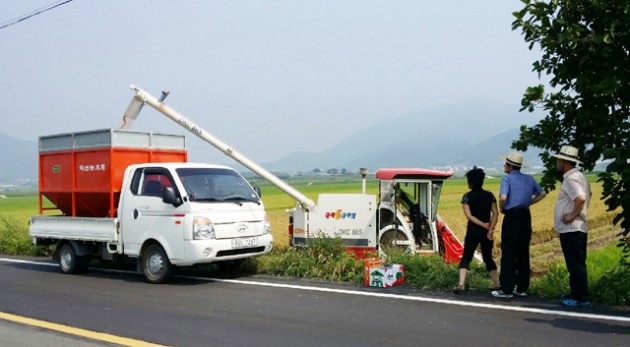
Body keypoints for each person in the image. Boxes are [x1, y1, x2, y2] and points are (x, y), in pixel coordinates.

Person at [492, 152, 546, 298]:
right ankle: (522, 288)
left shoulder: (507, 179)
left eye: (505, 164)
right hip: (525, 216)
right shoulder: (529, 179)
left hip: (512, 216)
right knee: (523, 251)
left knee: (509, 252)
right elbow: (542, 193)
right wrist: (529, 202)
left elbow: (503, 197)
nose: (504, 166)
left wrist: (502, 207)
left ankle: (507, 289)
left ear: (509, 167)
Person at [553, 145, 591, 307]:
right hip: (578, 227)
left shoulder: (571, 178)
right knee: (578, 262)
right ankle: (579, 294)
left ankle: (579, 297)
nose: (557, 162)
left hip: (572, 228)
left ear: (564, 161)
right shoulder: (580, 176)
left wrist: (572, 215)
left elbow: (581, 198)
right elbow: (588, 195)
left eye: (558, 159)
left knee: (574, 264)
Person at [453, 167, 499, 294]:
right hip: (486, 233)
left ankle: (461, 284)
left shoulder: (467, 197)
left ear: (470, 182)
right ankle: (496, 284)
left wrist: (483, 225)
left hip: (473, 231)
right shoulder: (490, 196)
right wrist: (489, 229)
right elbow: (495, 213)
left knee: (467, 257)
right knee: (488, 258)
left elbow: (469, 216)